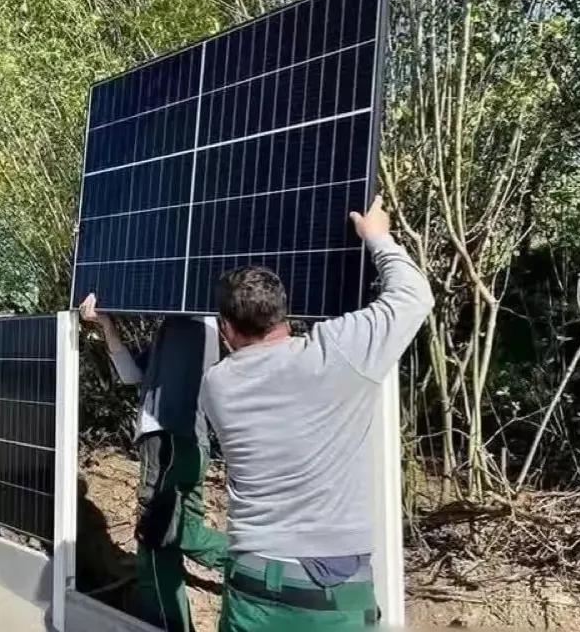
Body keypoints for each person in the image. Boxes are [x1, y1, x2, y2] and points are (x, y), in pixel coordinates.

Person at [201, 196, 433, 631]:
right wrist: (377, 236)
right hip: (328, 589)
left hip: (252, 581)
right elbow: (414, 296)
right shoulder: (337, 355)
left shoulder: (218, 385)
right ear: (282, 314)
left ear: (226, 328)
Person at [79, 294, 228, 632]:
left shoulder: (195, 322)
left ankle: (162, 624)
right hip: (180, 443)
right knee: (187, 534)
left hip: (169, 441)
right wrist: (107, 326)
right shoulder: (174, 323)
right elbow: (132, 376)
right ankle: (261, 564)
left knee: (154, 541)